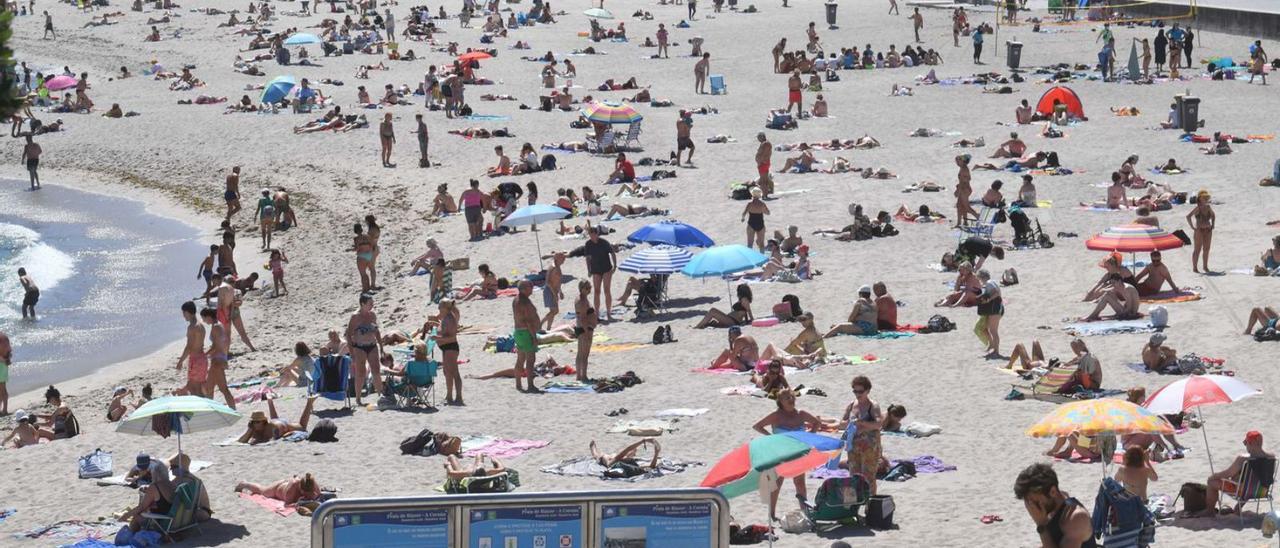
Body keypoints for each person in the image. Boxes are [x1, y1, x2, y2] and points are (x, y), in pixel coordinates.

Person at [753, 389, 825, 519]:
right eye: (787, 398)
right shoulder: (776, 415)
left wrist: (809, 437)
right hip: (781, 453)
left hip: (798, 452)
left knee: (800, 483)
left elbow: (817, 423)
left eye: (792, 396)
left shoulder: (801, 414)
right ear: (780, 402)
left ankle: (805, 511)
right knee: (778, 482)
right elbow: (757, 426)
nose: (791, 399)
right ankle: (772, 514)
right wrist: (771, 438)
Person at [1014, 463, 1098, 548]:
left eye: (1035, 502)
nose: (1032, 507)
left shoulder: (1076, 518)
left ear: (1053, 492)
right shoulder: (1055, 505)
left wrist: (1041, 524)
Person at [1202, 430, 1275, 517]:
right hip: (1262, 491)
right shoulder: (1271, 457)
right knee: (1251, 482)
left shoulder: (1243, 459)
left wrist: (1214, 476)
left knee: (1211, 482)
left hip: (1243, 492)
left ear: (1250, 443)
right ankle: (1238, 508)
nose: (1246, 446)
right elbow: (1265, 477)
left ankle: (1209, 511)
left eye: (1246, 443)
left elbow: (1228, 473)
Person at [842, 376, 883, 495]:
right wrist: (851, 423)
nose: (857, 394)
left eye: (860, 391)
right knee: (853, 476)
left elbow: (878, 424)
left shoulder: (872, 405)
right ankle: (854, 506)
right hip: (853, 446)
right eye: (855, 391)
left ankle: (870, 505)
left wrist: (862, 423)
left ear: (868, 391)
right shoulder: (851, 405)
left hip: (870, 447)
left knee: (869, 477)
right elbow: (841, 423)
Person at [345, 293, 383, 406]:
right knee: (360, 373)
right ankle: (358, 398)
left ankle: (380, 395)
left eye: (372, 303)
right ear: (362, 304)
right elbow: (348, 335)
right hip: (359, 347)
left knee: (376, 370)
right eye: (370, 303)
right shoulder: (355, 317)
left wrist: (381, 346)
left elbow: (376, 331)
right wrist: (351, 352)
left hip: (372, 345)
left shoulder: (372, 315)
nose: (372, 305)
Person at [236, 395, 318, 444]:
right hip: (275, 421)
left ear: (263, 422)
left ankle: (309, 402)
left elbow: (271, 439)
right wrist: (249, 430)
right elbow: (241, 441)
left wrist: (289, 433)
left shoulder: (271, 427)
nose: (255, 424)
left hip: (284, 425)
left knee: (302, 426)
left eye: (257, 422)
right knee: (275, 418)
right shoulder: (253, 426)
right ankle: (270, 401)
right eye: (253, 422)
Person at [198, 307, 236, 408]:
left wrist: (204, 356)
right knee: (210, 388)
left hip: (217, 361)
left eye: (204, 318)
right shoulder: (218, 325)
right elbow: (224, 342)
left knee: (220, 389)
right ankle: (212, 410)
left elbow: (217, 346)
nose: (204, 321)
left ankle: (232, 409)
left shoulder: (216, 327)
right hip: (219, 359)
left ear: (209, 316)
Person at [580, 226, 617, 321]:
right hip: (596, 269)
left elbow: (612, 253)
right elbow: (588, 258)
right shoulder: (588, 244)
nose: (592, 237)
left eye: (593, 235)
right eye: (590, 235)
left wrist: (615, 266)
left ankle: (609, 313)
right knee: (596, 291)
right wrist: (589, 270)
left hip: (606, 268)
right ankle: (596, 314)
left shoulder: (604, 242)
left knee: (606, 290)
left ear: (597, 234)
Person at [512, 280, 542, 393]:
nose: (532, 287)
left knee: (520, 359)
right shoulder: (524, 302)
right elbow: (528, 322)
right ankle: (530, 385)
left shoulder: (516, 300)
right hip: (526, 332)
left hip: (518, 332)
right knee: (530, 360)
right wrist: (534, 337)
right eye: (530, 286)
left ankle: (518, 384)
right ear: (524, 289)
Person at [433, 299, 463, 405]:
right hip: (446, 348)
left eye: (440, 306)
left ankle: (458, 397)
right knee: (447, 373)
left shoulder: (450, 319)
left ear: (445, 308)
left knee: (454, 372)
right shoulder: (445, 317)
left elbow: (452, 337)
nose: (438, 308)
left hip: (450, 347)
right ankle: (449, 396)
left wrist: (437, 338)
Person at [176, 302, 209, 397]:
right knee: (199, 388)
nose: (183, 316)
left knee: (195, 390)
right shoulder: (201, 325)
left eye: (184, 313)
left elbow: (189, 347)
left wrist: (180, 361)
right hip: (202, 358)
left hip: (195, 360)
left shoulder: (192, 327)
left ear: (188, 312)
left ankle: (201, 409)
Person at [235, 473, 322, 505]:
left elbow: (318, 494)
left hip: (292, 482)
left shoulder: (313, 484)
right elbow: (287, 504)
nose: (307, 495)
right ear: (301, 489)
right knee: (262, 491)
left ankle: (295, 477)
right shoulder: (292, 490)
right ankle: (244, 484)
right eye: (305, 493)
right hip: (278, 489)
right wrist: (298, 502)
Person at [1185, 189, 1215, 273]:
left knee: (1206, 249)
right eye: (1204, 197)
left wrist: (1213, 224)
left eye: (1206, 198)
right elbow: (1188, 216)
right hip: (1199, 231)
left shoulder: (1208, 207)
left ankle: (1205, 267)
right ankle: (1195, 268)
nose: (1205, 199)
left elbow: (1213, 215)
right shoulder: (1198, 208)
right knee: (1197, 249)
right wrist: (1192, 227)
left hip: (1208, 230)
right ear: (1200, 199)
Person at [975, 269, 1003, 357]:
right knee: (987, 329)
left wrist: (988, 299)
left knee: (993, 331)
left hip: (996, 308)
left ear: (981, 277)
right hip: (994, 309)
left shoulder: (989, 282)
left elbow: (997, 293)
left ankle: (996, 351)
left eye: (979, 278)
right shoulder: (991, 282)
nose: (979, 280)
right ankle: (992, 347)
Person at [573, 279, 597, 382]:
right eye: (587, 288)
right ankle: (583, 376)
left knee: (580, 353)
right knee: (584, 354)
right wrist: (587, 332)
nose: (589, 290)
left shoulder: (582, 298)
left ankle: (579, 375)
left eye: (590, 287)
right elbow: (583, 318)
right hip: (584, 329)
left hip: (583, 328)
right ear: (581, 289)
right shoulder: (582, 301)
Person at [954, 155, 978, 227]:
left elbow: (963, 181)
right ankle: (963, 222)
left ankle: (978, 217)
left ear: (963, 161)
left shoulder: (964, 169)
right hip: (965, 188)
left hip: (964, 189)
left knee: (966, 207)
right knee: (960, 206)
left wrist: (958, 191)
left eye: (958, 160)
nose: (957, 162)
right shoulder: (964, 168)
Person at [0, 331, 8, 415]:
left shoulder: (2, 339)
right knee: (2, 389)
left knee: (2, 390)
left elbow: (3, 358)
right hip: (3, 367)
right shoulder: (4, 338)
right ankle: (3, 409)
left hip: (1, 367)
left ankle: (5, 409)